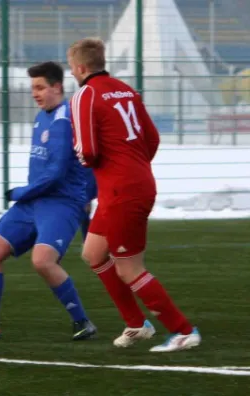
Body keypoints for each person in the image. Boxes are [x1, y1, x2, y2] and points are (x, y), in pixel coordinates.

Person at [67, 37, 201, 352]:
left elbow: (87, 150)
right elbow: (152, 138)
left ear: (81, 67)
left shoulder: (85, 95)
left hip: (120, 189)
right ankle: (136, 324)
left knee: (129, 267)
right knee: (94, 254)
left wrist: (91, 161)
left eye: (72, 68)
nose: (72, 73)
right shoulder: (126, 90)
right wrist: (132, 164)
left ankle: (183, 330)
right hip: (134, 181)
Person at [0, 61, 97, 342]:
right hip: (34, 202)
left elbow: (58, 174)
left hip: (60, 202)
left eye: (40, 87)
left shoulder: (67, 120)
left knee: (42, 261)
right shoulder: (42, 116)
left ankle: (82, 322)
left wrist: (20, 193)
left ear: (57, 87)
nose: (35, 93)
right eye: (33, 87)